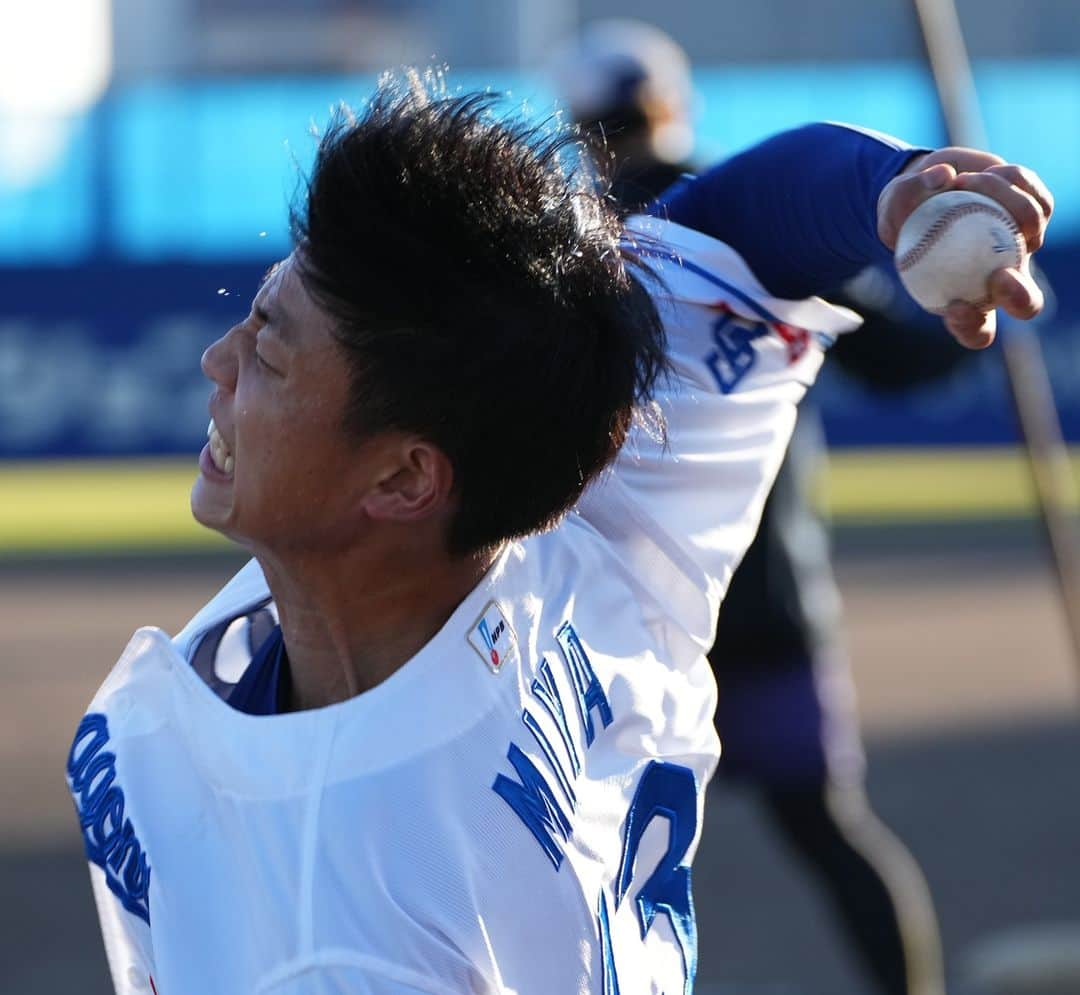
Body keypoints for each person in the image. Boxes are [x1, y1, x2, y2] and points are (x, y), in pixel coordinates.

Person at [65, 69, 1050, 995]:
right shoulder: (585, 514)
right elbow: (747, 224)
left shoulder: (354, 920)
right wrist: (896, 190)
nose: (216, 359)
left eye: (270, 349)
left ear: (405, 475)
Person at [553, 22, 977, 994]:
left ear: (581, 122)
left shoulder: (560, 237)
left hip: (607, 617)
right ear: (670, 104)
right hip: (761, 596)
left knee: (576, 867)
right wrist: (977, 308)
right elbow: (899, 358)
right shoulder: (753, 221)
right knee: (829, 830)